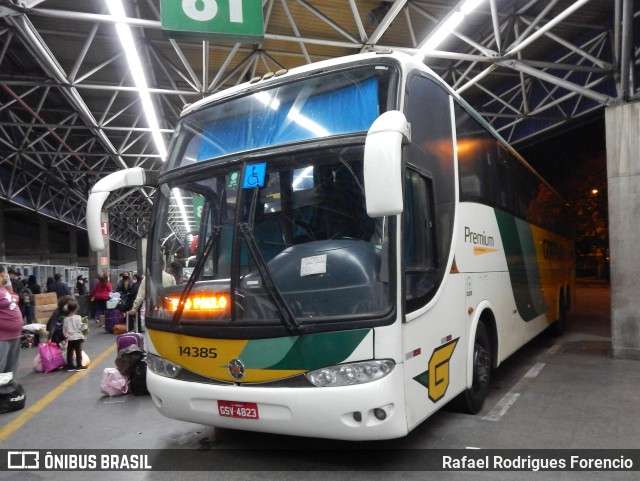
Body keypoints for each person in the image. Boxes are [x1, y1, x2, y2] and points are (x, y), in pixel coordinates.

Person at [127, 266, 176, 332]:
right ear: (163, 266)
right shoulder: (171, 278)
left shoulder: (147, 279)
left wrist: (134, 309)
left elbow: (140, 296)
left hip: (153, 311)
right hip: (168, 311)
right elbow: (174, 295)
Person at [0, 268, 23, 374]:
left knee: (10, 369)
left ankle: (8, 388)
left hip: (14, 334)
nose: (6, 276)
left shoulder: (3, 290)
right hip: (2, 335)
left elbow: (12, 295)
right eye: (3, 274)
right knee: (1, 366)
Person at [62, 298, 86, 371]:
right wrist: (84, 326)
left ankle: (70, 366)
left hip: (70, 338)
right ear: (76, 309)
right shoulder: (78, 317)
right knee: (78, 352)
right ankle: (79, 365)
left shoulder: (65, 319)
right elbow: (80, 327)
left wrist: (66, 337)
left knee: (70, 352)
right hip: (78, 337)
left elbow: (64, 330)